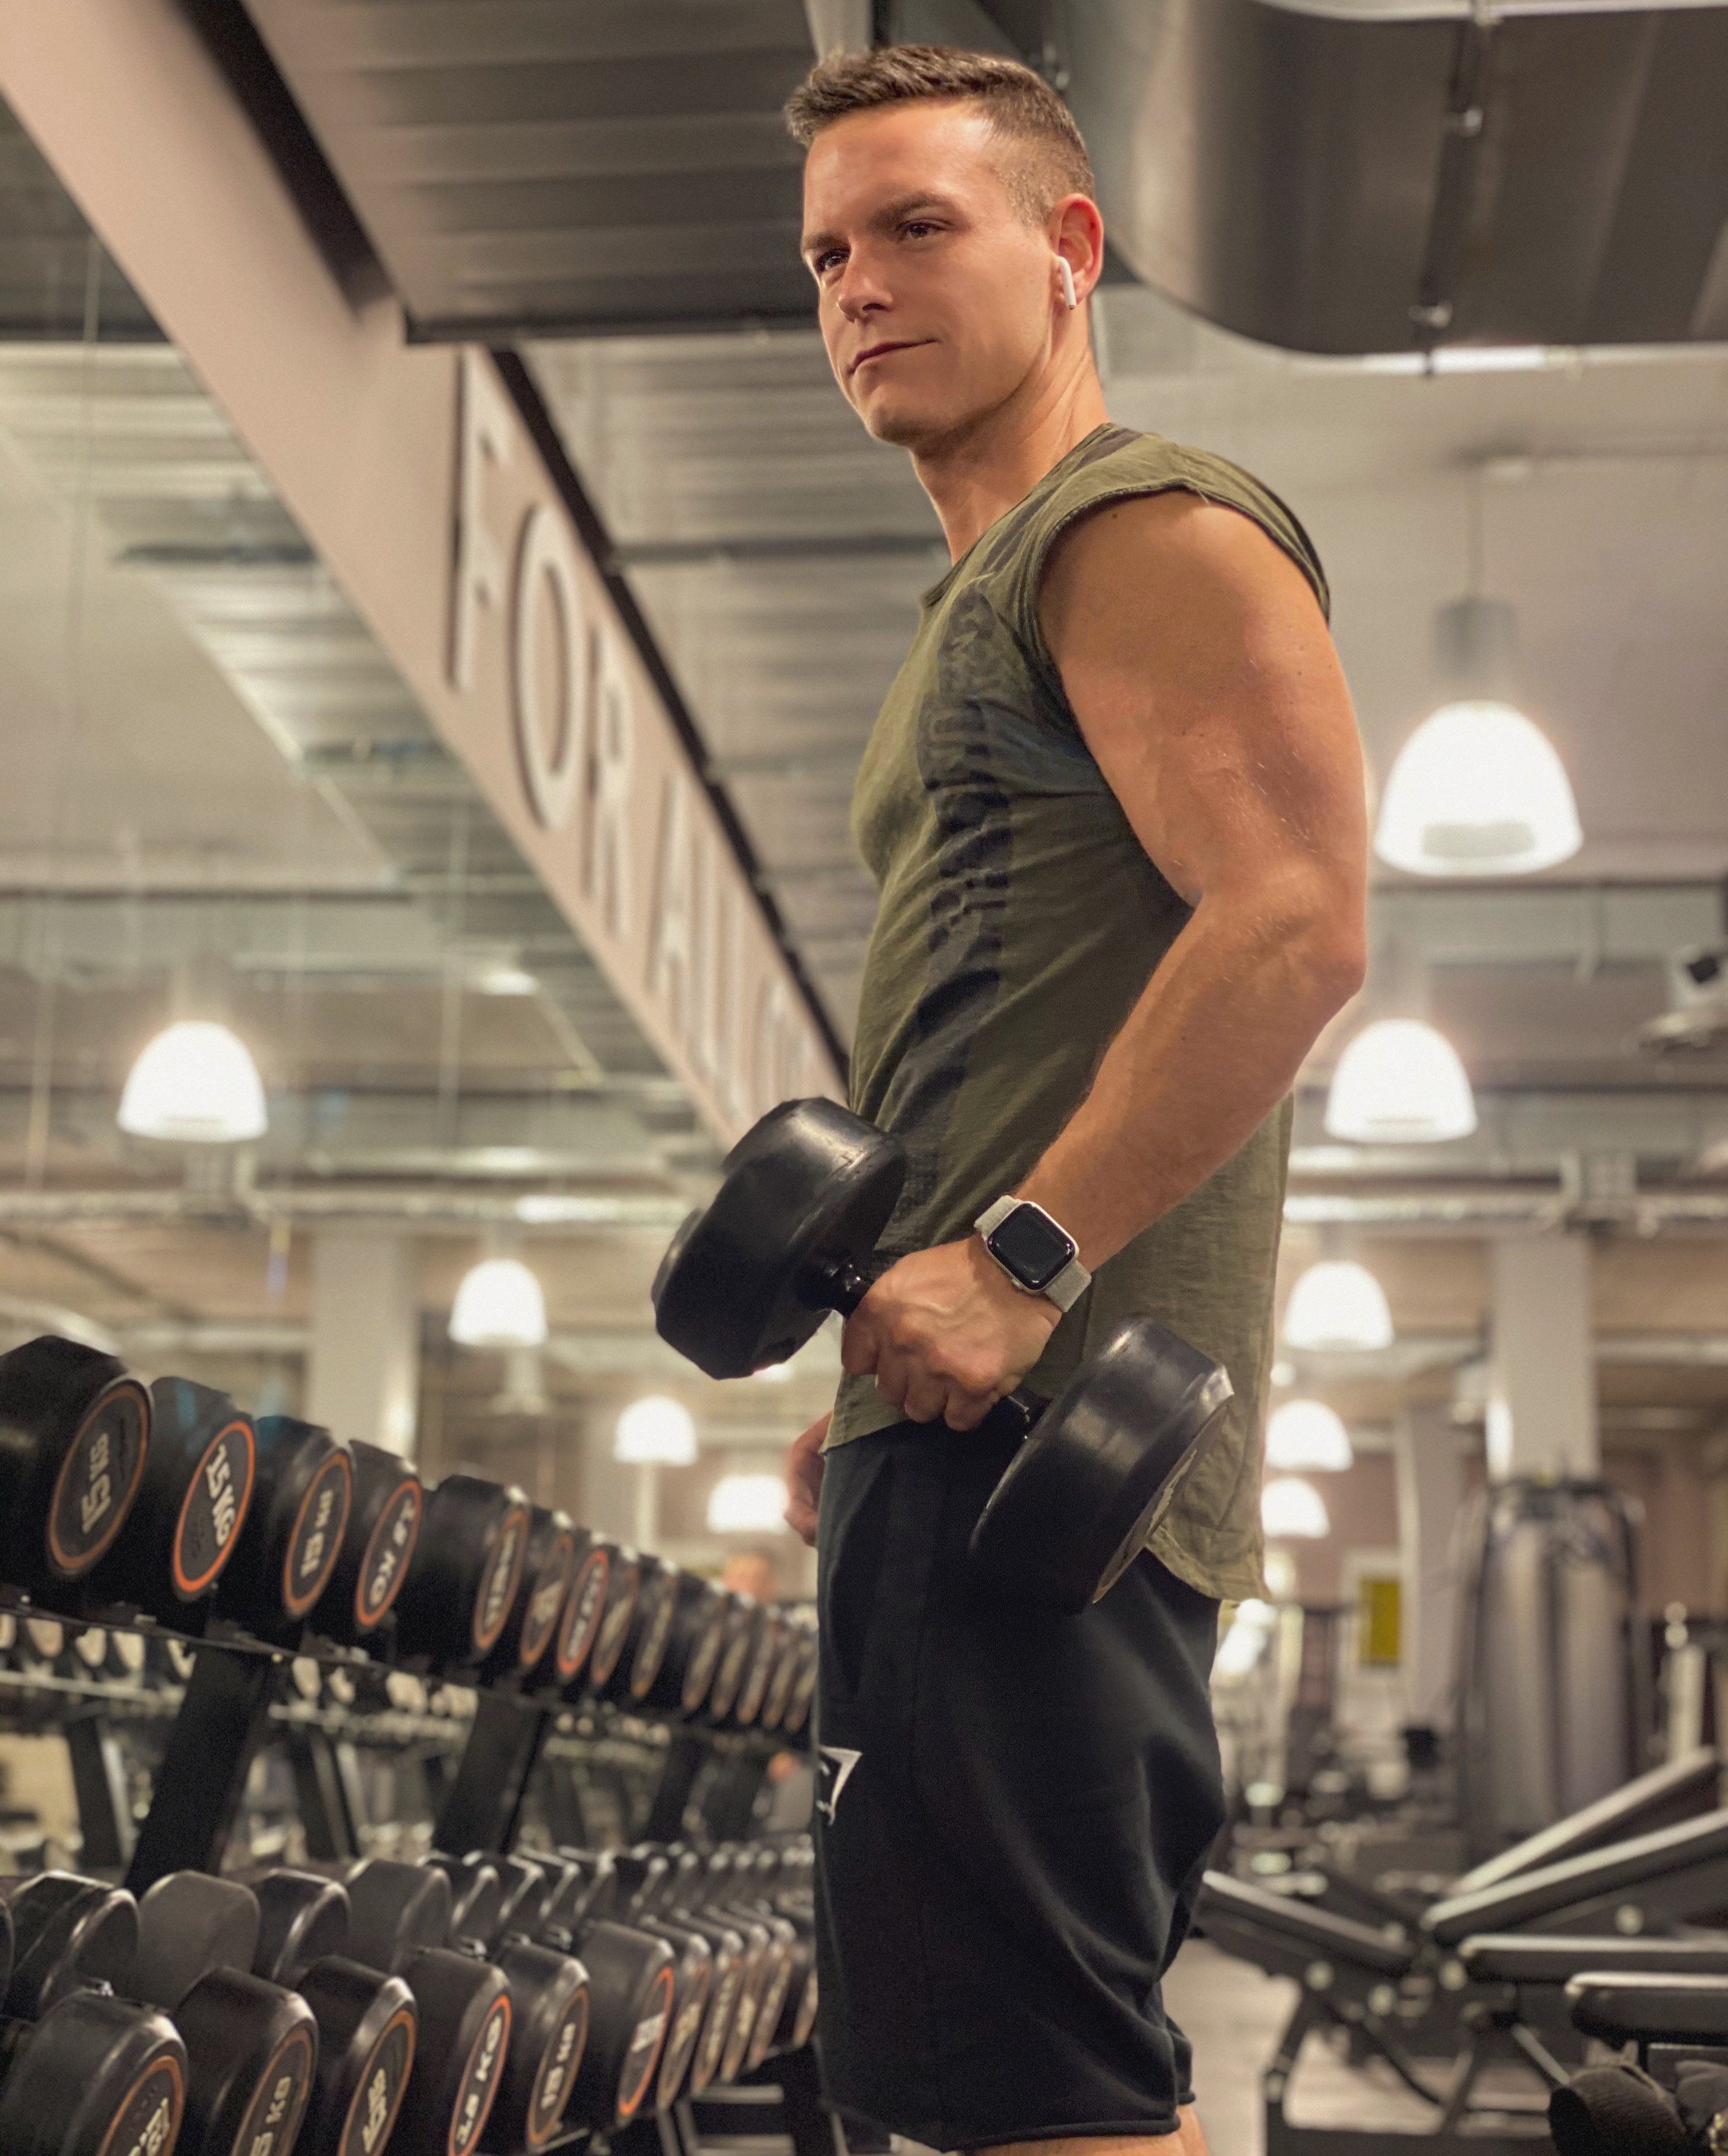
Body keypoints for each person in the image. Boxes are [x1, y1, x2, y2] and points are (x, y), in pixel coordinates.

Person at [777, 45, 1369, 2156]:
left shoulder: (1137, 528)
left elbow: (1297, 922)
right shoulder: (983, 595)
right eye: (827, 253)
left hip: (1048, 1442)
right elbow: (995, 1034)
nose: (859, 284)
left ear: (1070, 246)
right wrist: (874, 1372)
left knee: (1047, 2103)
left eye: (917, 227)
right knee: (986, 2087)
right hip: (961, 1423)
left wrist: (1021, 1266)